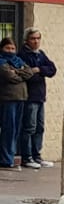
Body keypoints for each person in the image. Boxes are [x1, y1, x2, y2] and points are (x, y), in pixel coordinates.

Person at [18, 28, 57, 169]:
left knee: (39, 127)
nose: (36, 41)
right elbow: (27, 75)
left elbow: (52, 69)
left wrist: (40, 69)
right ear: (27, 40)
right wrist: (37, 72)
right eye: (33, 38)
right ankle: (27, 157)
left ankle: (37, 156)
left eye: (38, 38)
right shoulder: (23, 55)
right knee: (29, 127)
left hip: (40, 96)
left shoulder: (40, 54)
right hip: (29, 96)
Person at [0, 38, 34, 171]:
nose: (10, 51)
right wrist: (20, 73)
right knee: (9, 129)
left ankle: (11, 156)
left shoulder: (18, 61)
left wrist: (18, 71)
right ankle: (6, 159)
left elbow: (29, 72)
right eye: (7, 48)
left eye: (13, 48)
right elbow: (9, 76)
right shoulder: (2, 62)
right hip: (8, 99)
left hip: (21, 98)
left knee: (15, 130)